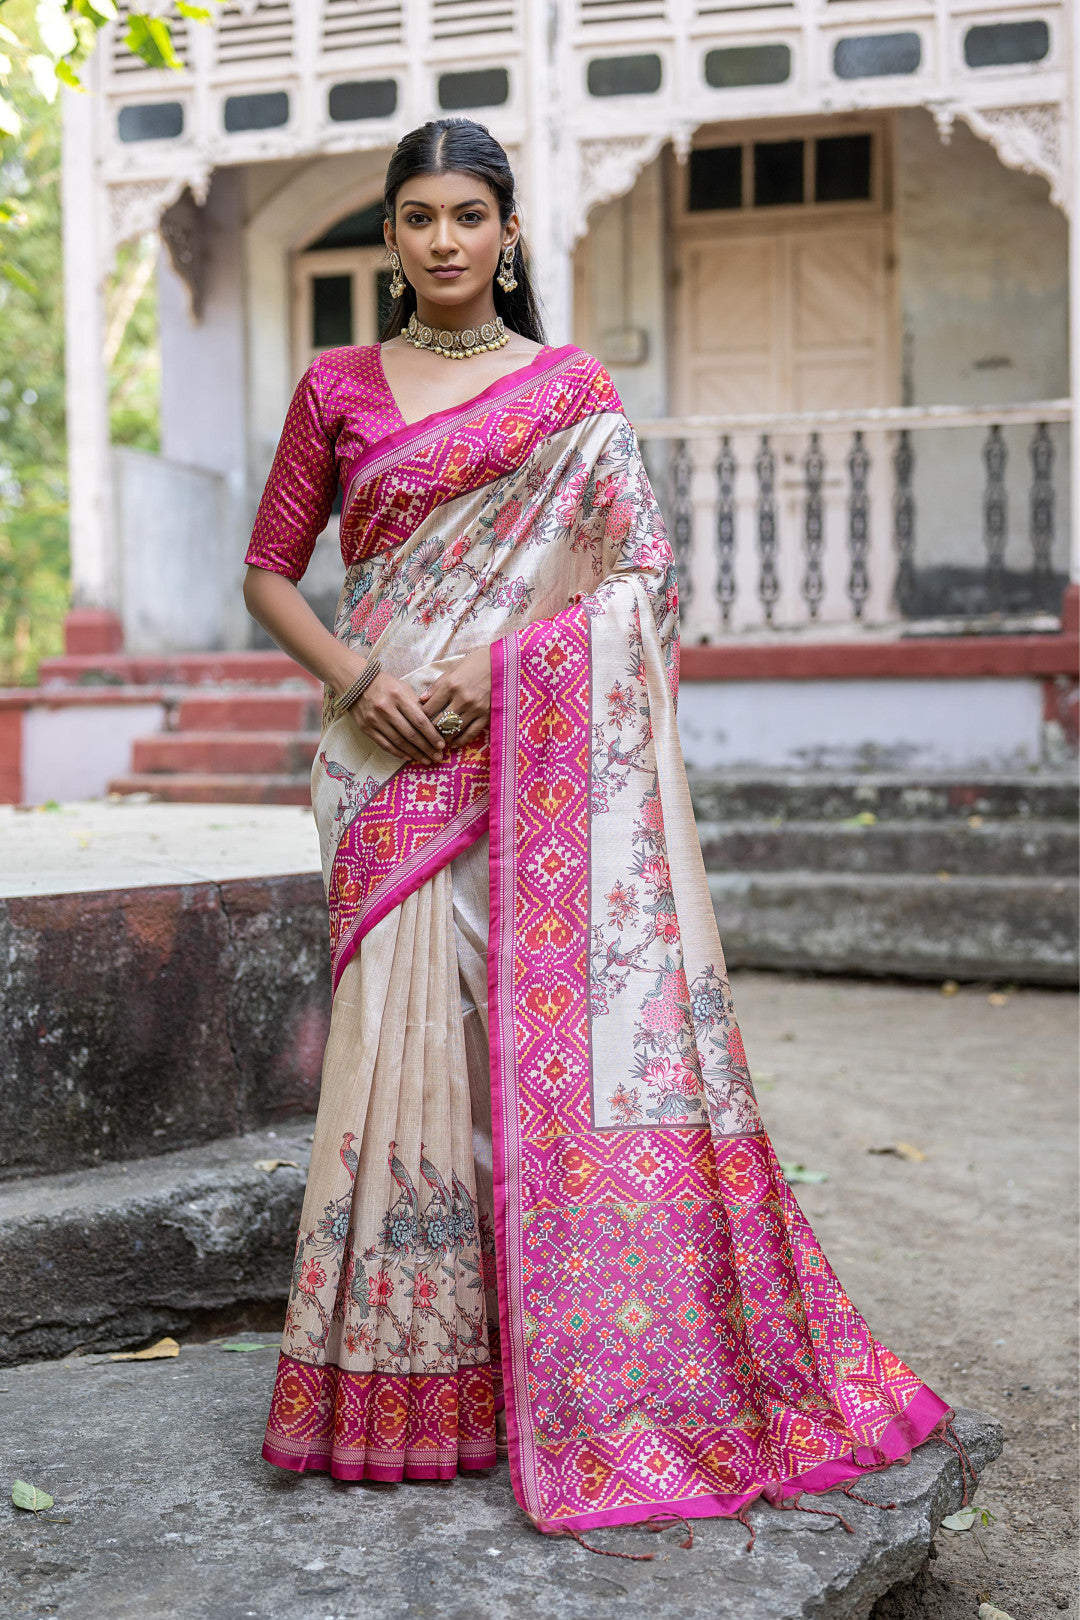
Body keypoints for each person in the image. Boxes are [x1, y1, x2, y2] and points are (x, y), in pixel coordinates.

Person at [243, 116, 955, 1543]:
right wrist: (368, 685)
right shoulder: (333, 387)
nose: (443, 239)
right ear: (390, 238)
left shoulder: (571, 396)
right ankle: (404, 1379)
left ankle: (545, 1368)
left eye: (469, 215)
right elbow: (271, 574)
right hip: (379, 767)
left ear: (509, 236)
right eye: (418, 217)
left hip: (521, 759)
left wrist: (492, 673)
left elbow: (639, 579)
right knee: (403, 1055)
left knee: (529, 1057)